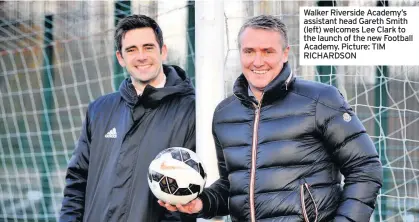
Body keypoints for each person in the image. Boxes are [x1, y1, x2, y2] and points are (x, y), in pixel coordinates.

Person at [160, 15, 383, 222]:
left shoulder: (320, 100)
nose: (258, 61)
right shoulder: (225, 114)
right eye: (249, 51)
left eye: (267, 51)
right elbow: (233, 186)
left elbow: (365, 167)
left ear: (285, 53)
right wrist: (202, 202)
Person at [60, 14, 196, 222]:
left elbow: (184, 201)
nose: (141, 56)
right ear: (120, 58)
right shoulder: (100, 110)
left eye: (148, 47)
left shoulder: (192, 110)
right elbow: (77, 181)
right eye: (131, 50)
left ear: (163, 52)